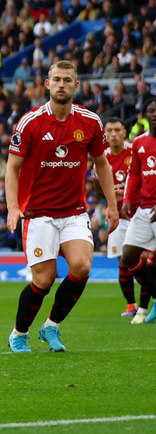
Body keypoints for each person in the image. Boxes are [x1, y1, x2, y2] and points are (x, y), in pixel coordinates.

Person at [6, 60, 118, 353]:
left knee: (81, 267)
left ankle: (51, 327)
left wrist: (112, 205)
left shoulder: (90, 121)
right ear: (47, 84)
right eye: (56, 79)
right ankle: (19, 333)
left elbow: (102, 164)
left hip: (73, 212)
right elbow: (12, 168)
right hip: (38, 213)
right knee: (43, 279)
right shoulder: (30, 122)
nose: (61, 85)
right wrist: (12, 207)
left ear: (76, 86)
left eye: (67, 80)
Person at [97, 117, 151, 320]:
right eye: (109, 130)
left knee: (145, 258)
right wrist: (110, 198)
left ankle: (148, 300)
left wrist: (128, 195)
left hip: (139, 213)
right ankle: (131, 305)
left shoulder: (134, 150)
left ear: (124, 131)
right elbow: (97, 186)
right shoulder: (102, 157)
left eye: (117, 130)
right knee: (123, 262)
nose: (113, 134)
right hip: (118, 217)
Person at [119, 96, 156, 324]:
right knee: (128, 255)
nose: (155, 114)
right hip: (144, 209)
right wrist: (127, 199)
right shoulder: (139, 143)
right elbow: (134, 174)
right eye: (151, 110)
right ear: (144, 115)